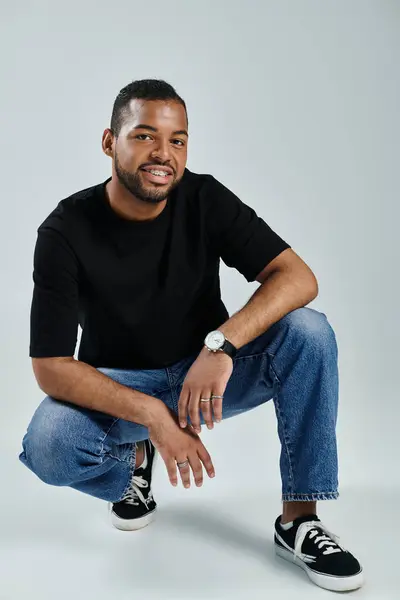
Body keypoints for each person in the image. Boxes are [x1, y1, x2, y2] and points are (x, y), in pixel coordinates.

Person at [19, 79, 364, 593]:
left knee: (308, 331)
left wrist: (220, 344)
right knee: (50, 443)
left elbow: (298, 278)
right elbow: (50, 367)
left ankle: (299, 521)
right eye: (144, 136)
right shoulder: (65, 231)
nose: (163, 154)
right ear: (109, 141)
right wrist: (153, 417)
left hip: (207, 377)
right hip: (123, 387)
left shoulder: (204, 198)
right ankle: (133, 464)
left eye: (177, 139)